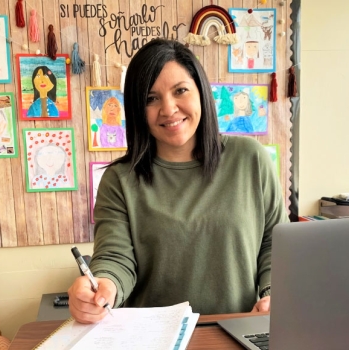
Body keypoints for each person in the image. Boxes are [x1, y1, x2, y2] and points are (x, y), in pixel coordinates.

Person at [68, 38, 285, 324]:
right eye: (151, 98)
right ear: (137, 110)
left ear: (201, 92)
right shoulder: (119, 180)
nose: (168, 109)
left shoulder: (250, 159)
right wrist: (103, 287)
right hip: (153, 338)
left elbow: (275, 242)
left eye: (180, 90)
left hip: (237, 330)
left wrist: (272, 292)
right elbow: (115, 258)